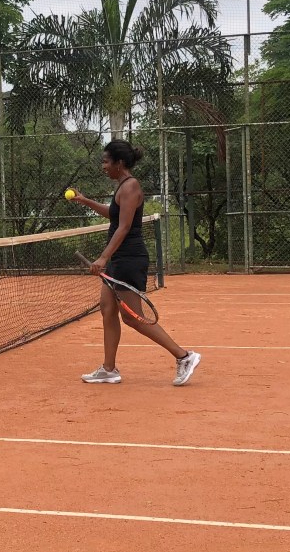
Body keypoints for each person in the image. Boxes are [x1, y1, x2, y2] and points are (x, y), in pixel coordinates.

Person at [68, 140, 201, 386]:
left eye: (106, 162)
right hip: (120, 258)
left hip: (128, 258)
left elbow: (125, 226)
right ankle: (109, 369)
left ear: (119, 163)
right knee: (108, 310)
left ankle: (184, 356)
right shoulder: (122, 187)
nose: (103, 166)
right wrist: (85, 201)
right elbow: (114, 214)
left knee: (132, 317)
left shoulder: (130, 187)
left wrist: (103, 257)